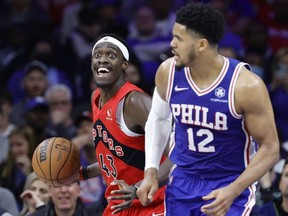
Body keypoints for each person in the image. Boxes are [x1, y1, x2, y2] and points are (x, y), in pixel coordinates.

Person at [136, 3, 280, 216]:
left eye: (179, 38)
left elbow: (270, 148)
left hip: (229, 181)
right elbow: (158, 119)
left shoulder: (246, 86)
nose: (171, 44)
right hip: (183, 180)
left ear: (201, 45)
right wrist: (151, 172)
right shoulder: (168, 71)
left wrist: (234, 190)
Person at [77, 33, 170, 215]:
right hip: (120, 204)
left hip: (154, 204)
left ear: (124, 65)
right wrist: (84, 172)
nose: (102, 60)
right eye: (97, 55)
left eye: (111, 55)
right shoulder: (95, 98)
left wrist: (137, 188)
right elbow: (121, 158)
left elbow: (178, 155)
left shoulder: (135, 102)